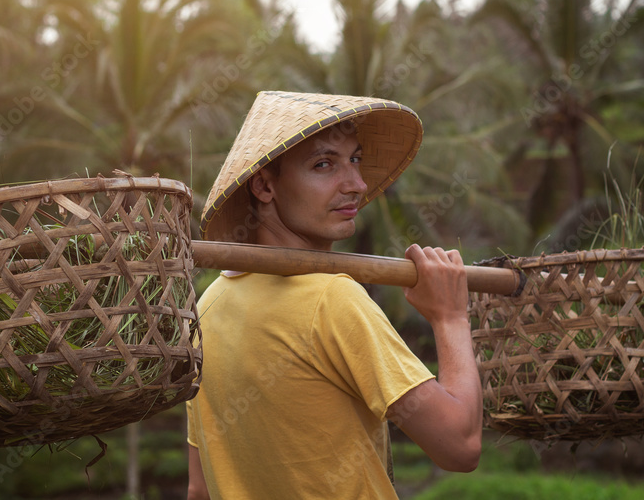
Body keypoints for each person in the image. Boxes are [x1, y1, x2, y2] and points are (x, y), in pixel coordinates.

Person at [186, 91, 482, 499]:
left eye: (355, 160)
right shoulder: (333, 300)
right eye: (323, 165)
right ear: (265, 186)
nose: (357, 185)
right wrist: (451, 317)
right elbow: (460, 445)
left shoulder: (207, 307)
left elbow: (199, 489)